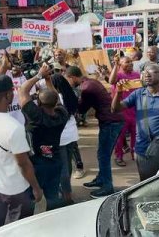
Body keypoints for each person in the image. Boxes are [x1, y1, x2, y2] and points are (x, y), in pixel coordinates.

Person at [0, 75, 43, 233]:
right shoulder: (14, 128)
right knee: (18, 226)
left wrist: (3, 68)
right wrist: (36, 187)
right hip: (16, 186)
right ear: (8, 95)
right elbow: (23, 164)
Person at [111, 64, 159, 181]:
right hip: (141, 148)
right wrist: (119, 92)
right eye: (145, 72)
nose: (147, 74)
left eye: (152, 72)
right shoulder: (138, 94)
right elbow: (115, 109)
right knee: (145, 181)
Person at [65, 66, 123, 198]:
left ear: (72, 77)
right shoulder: (91, 82)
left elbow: (81, 109)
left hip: (111, 122)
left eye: (67, 80)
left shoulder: (87, 88)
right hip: (111, 120)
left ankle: (107, 186)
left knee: (103, 155)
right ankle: (101, 179)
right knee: (102, 153)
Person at [19, 64, 68, 210]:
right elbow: (57, 99)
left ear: (38, 103)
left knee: (30, 198)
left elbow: (23, 90)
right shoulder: (62, 115)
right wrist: (48, 81)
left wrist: (39, 75)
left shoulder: (35, 116)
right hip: (55, 161)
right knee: (52, 196)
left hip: (36, 164)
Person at [50, 73, 80, 205]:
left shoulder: (56, 97)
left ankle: (67, 197)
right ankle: (67, 192)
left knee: (63, 169)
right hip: (72, 134)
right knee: (67, 165)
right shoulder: (70, 95)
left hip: (61, 137)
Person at [108, 56, 140, 166]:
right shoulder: (118, 75)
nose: (131, 63)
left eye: (131, 61)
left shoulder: (137, 75)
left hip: (135, 110)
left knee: (135, 134)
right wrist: (116, 65)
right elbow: (111, 81)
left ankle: (135, 154)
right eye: (127, 62)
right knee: (120, 136)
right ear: (121, 64)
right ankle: (118, 156)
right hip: (121, 111)